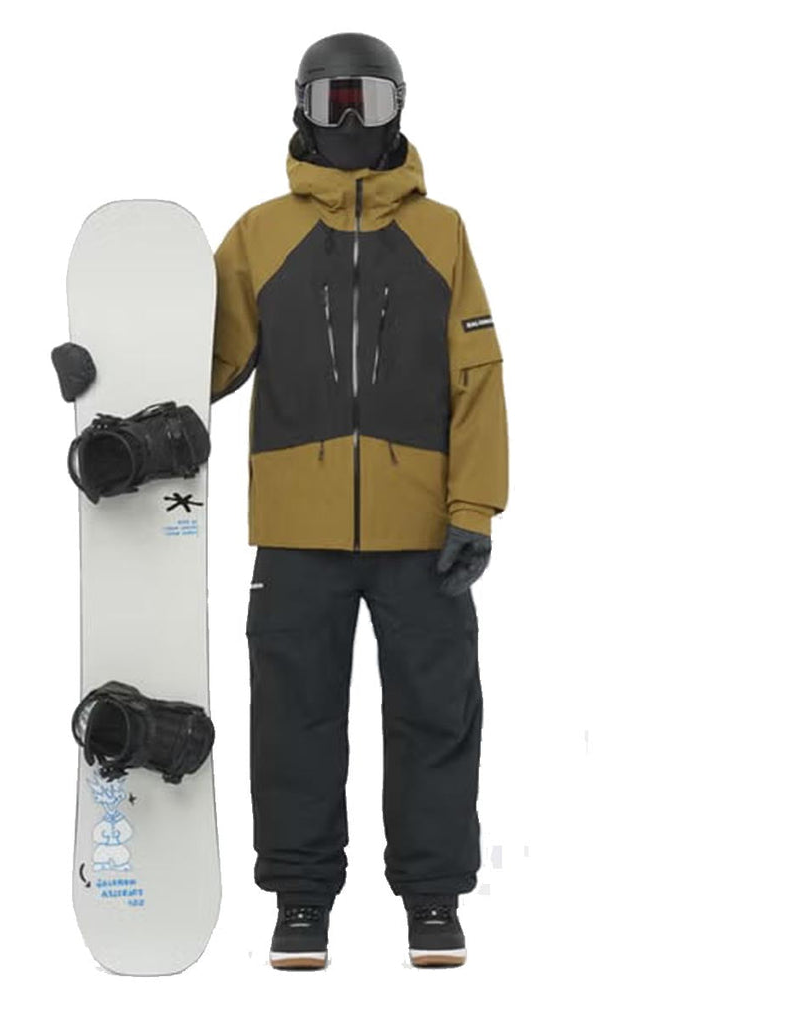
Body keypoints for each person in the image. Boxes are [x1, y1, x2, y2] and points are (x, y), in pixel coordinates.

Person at [211, 31, 508, 969]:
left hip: (422, 533)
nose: (348, 120)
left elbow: (477, 375)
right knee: (292, 717)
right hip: (295, 532)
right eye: (333, 100)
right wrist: (117, 367)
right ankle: (301, 898)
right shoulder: (260, 233)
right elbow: (206, 359)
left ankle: (433, 898)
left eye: (367, 101)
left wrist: (473, 509)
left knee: (436, 710)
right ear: (300, 109)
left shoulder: (440, 231)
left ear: (398, 110)